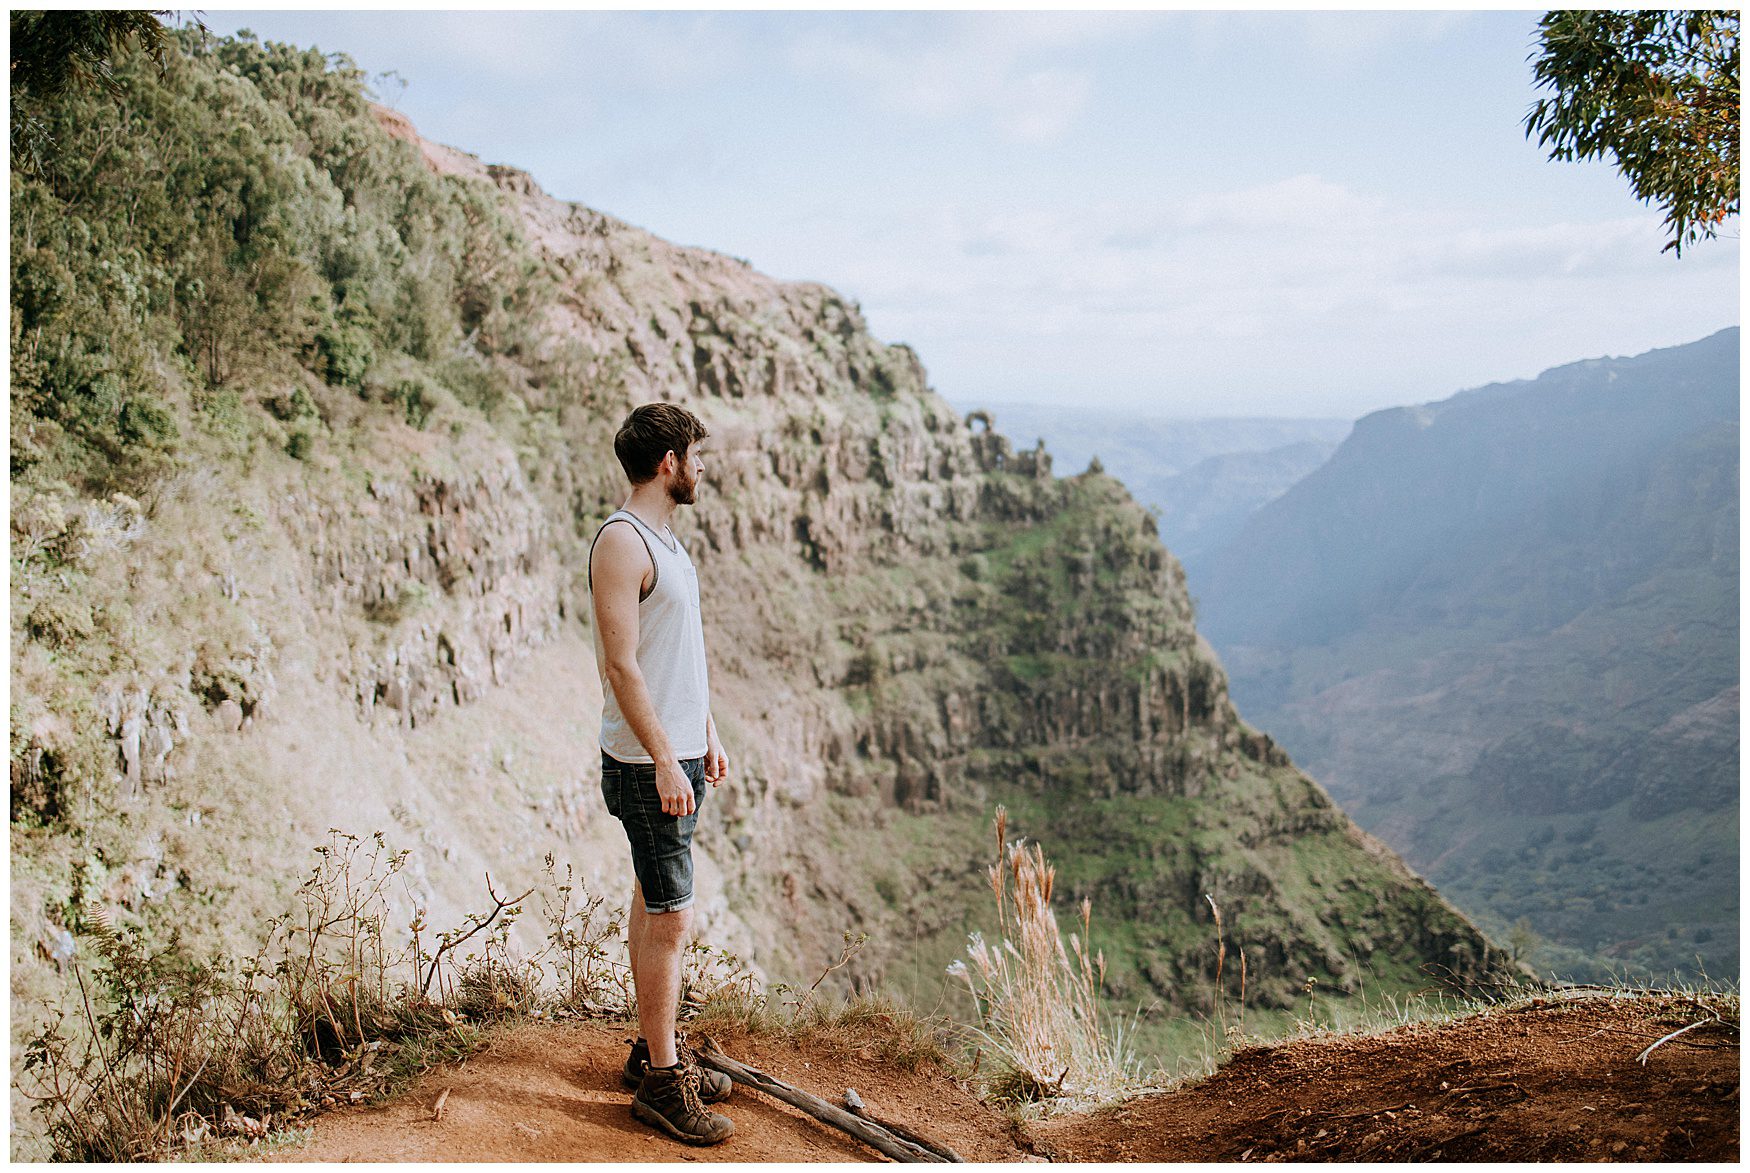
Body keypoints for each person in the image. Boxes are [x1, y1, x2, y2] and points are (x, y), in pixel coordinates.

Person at [588, 402, 735, 1146]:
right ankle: (660, 1084)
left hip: (677, 753)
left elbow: (680, 652)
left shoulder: (668, 543)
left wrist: (705, 730)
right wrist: (662, 760)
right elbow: (622, 665)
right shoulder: (622, 542)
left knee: (653, 896)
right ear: (668, 462)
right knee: (673, 914)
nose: (702, 466)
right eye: (694, 454)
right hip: (649, 763)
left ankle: (653, 1047)